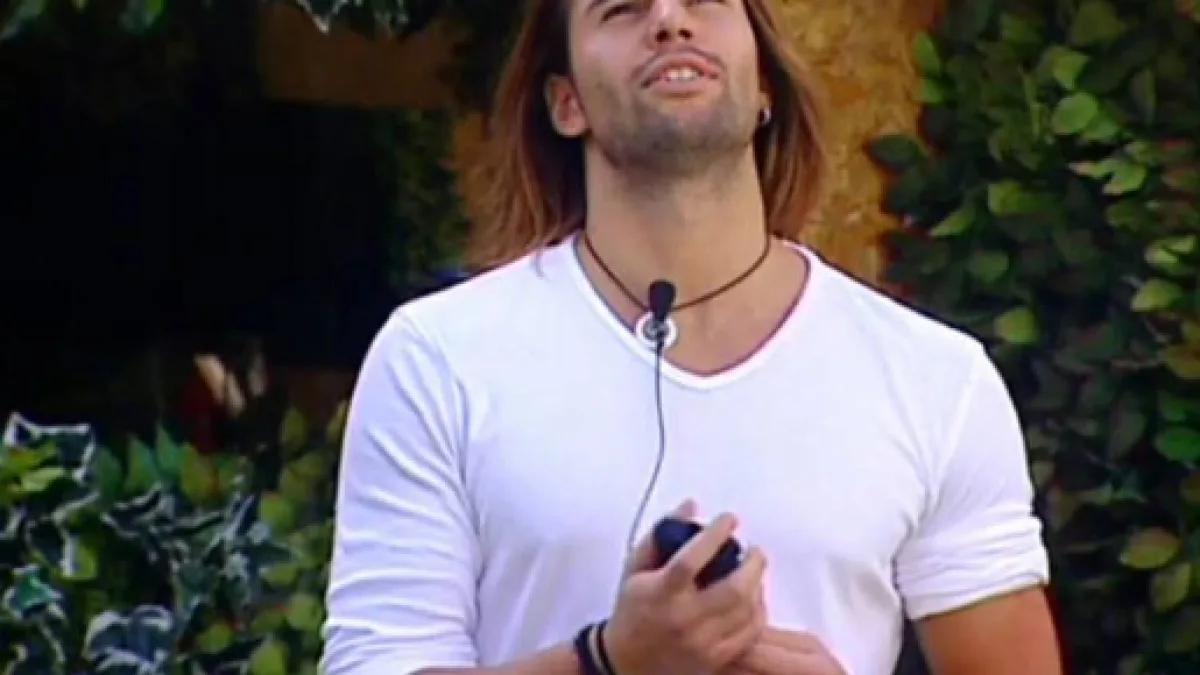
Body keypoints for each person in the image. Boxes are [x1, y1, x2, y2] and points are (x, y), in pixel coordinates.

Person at [321, 0, 1063, 674]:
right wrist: (607, 662)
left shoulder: (936, 379)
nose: (669, 19)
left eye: (704, 1)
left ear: (764, 83)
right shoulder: (438, 358)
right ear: (565, 102)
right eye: (622, 9)